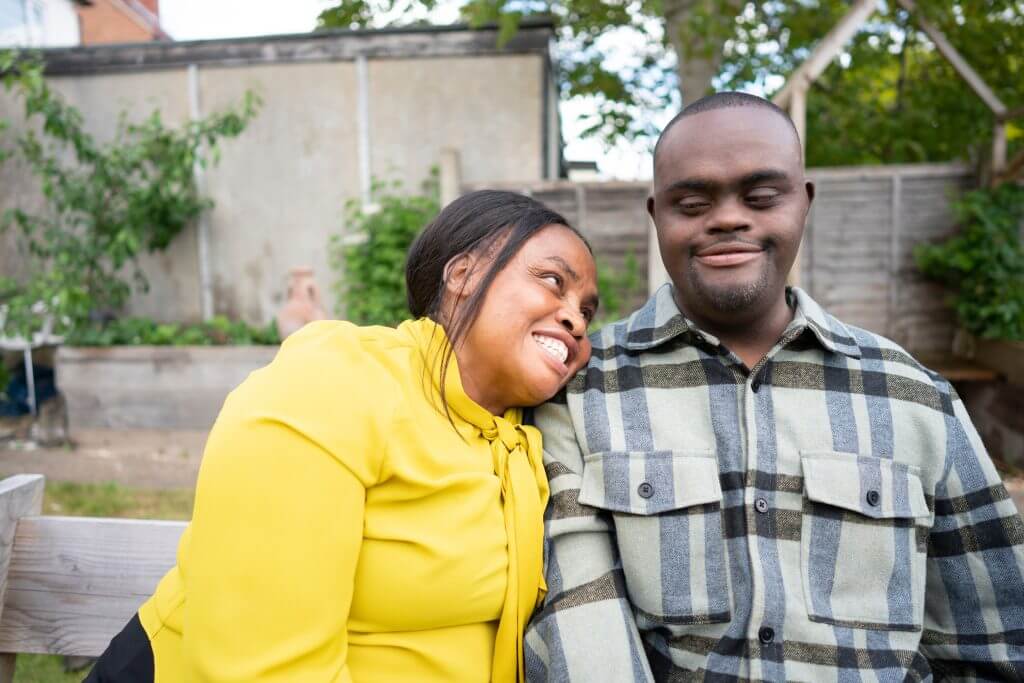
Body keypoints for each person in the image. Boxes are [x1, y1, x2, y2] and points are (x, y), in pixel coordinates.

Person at [525, 92, 1024, 681]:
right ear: (656, 214)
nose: (729, 217)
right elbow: (578, 618)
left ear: (803, 203)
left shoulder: (914, 397)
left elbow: (993, 648)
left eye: (761, 197)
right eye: (692, 201)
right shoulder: (581, 393)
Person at [85, 190, 599, 682]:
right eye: (554, 281)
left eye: (587, 310)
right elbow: (260, 669)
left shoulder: (524, 438)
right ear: (463, 274)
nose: (576, 318)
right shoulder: (338, 382)